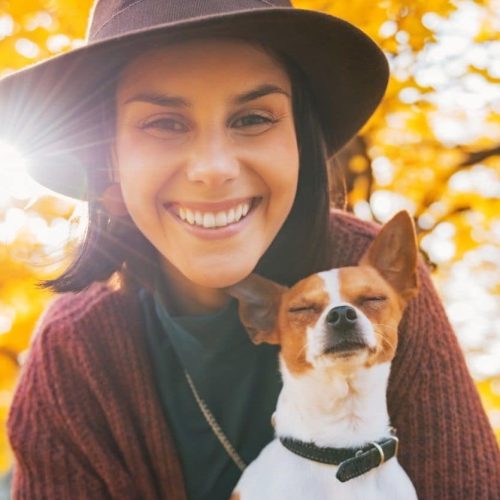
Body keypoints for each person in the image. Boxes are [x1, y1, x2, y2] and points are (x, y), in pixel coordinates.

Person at [1, 1, 498, 499]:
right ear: (107, 160)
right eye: (163, 124)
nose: (214, 168)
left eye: (254, 117)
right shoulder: (75, 350)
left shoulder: (372, 285)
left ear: (300, 141)